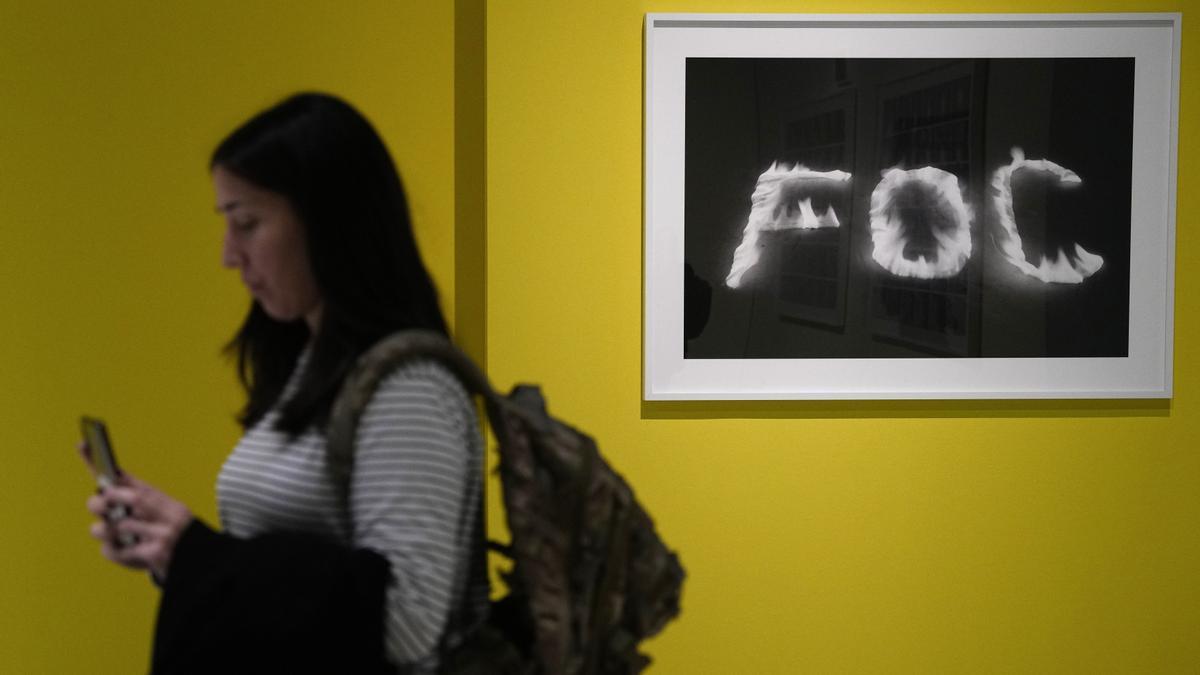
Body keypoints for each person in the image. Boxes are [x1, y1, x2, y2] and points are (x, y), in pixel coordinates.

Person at [84, 92, 488, 674]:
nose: (229, 255)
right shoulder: (310, 363)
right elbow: (274, 587)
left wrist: (198, 557)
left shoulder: (410, 390)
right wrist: (172, 553)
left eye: (247, 224)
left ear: (328, 223)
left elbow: (405, 624)